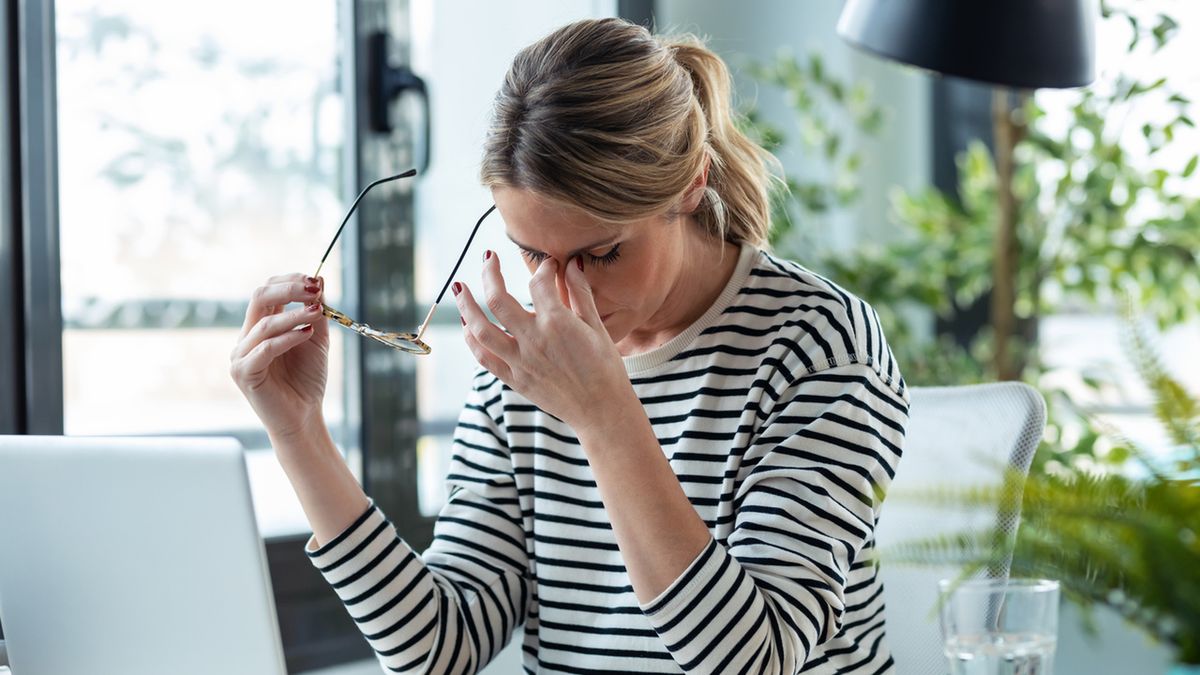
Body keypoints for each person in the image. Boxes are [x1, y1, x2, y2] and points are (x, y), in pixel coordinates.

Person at [231, 17, 908, 675]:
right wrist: (299, 433)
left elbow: (754, 658)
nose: (559, 293)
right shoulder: (525, 367)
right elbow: (436, 648)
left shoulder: (819, 344)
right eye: (531, 253)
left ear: (691, 181)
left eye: (602, 253)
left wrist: (604, 414)